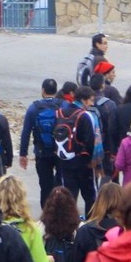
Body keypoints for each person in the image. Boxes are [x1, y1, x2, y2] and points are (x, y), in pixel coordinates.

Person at [19, 78, 63, 208]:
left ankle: (46, 212)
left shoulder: (34, 108)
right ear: (56, 91)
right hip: (60, 152)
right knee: (61, 183)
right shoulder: (63, 106)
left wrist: (23, 154)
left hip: (42, 152)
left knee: (45, 186)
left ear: (43, 90)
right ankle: (59, 209)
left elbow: (26, 132)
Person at [56, 82, 98, 214]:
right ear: (84, 100)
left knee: (69, 198)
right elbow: (90, 141)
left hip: (65, 160)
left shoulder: (60, 113)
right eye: (90, 100)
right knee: (90, 196)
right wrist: (91, 161)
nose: (91, 104)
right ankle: (90, 222)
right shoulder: (85, 116)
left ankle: (68, 223)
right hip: (83, 163)